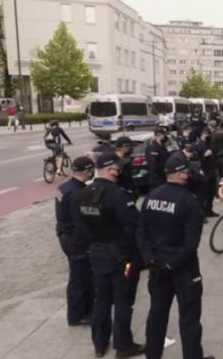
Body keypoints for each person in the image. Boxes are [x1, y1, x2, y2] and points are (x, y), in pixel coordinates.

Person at [138, 154, 215, 359]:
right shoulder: (190, 201)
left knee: (157, 315)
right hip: (183, 270)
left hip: (157, 268)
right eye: (187, 170)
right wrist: (172, 265)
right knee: (189, 319)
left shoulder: (151, 197)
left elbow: (141, 233)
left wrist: (151, 260)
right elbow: (191, 244)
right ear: (181, 173)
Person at [73, 153, 144, 358]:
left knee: (101, 300)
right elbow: (133, 227)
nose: (120, 170)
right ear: (109, 169)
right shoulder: (118, 195)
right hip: (121, 258)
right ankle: (124, 345)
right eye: (117, 167)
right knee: (123, 300)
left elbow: (80, 227)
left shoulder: (81, 194)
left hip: (96, 254)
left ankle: (100, 344)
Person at [55, 156, 96, 327]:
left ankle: (81, 312)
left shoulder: (64, 187)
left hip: (65, 235)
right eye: (91, 169)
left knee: (78, 276)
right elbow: (79, 221)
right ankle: (77, 315)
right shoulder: (77, 192)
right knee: (80, 278)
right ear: (87, 171)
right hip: (75, 240)